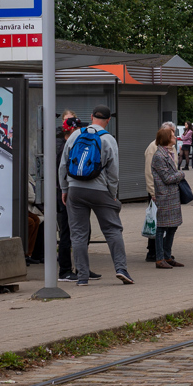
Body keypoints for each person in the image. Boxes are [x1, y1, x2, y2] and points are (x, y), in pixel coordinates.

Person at [59, 106, 132, 286]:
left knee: (78, 235)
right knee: (112, 229)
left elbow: (63, 164)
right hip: (100, 190)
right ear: (108, 120)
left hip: (75, 190)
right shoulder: (108, 139)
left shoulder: (75, 135)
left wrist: (64, 189)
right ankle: (121, 269)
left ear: (91, 117)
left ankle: (82, 277)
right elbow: (113, 172)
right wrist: (113, 194)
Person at [150, 126, 185, 269]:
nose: (175, 137)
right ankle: (160, 258)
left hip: (172, 195)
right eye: (172, 135)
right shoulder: (159, 156)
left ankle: (167, 256)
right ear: (166, 138)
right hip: (165, 196)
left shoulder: (168, 153)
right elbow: (167, 178)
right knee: (162, 228)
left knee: (172, 227)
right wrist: (181, 174)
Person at [143, 121, 178, 264]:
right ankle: (154, 253)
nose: (175, 136)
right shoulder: (154, 149)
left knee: (167, 223)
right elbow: (149, 172)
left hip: (169, 190)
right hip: (158, 191)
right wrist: (152, 192)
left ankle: (164, 253)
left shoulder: (171, 148)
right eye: (172, 133)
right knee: (157, 223)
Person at [54, 111, 80, 281]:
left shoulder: (65, 143)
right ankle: (64, 270)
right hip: (64, 193)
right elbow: (62, 170)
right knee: (67, 231)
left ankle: (80, 267)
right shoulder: (64, 146)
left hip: (67, 191)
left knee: (77, 231)